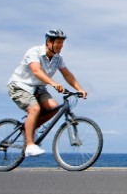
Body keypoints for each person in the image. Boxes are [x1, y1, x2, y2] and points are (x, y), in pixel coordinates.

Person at [7, 29, 88, 157]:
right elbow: (36, 71)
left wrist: (79, 89)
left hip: (38, 89)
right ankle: (29, 146)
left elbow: (67, 74)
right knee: (35, 109)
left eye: (62, 43)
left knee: (54, 107)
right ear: (49, 41)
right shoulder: (34, 52)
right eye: (58, 43)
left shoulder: (58, 58)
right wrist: (53, 83)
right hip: (20, 86)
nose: (60, 46)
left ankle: (31, 128)